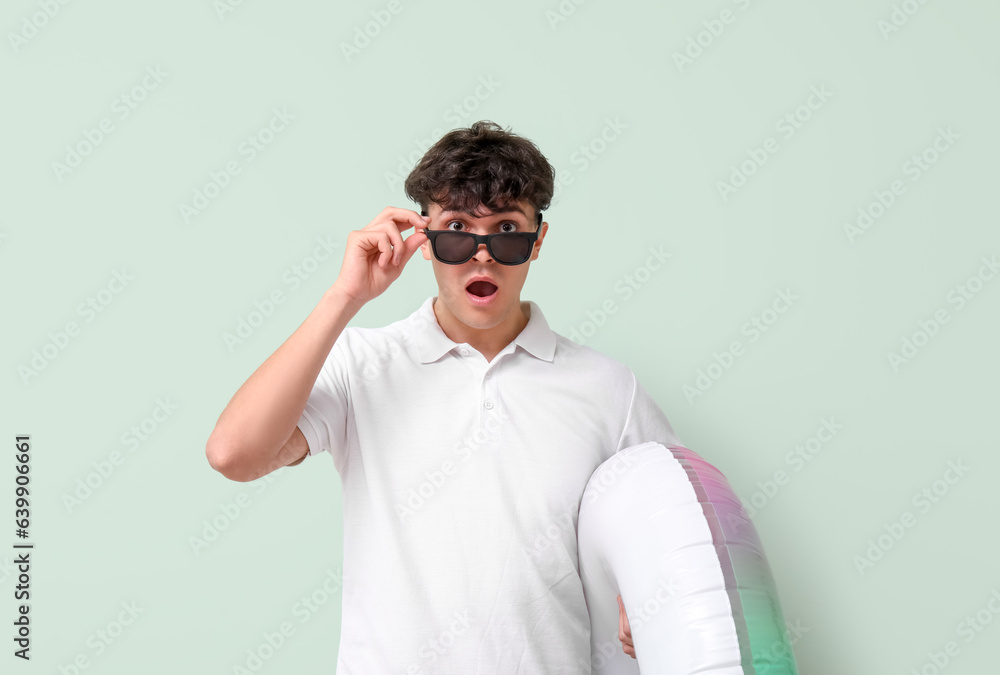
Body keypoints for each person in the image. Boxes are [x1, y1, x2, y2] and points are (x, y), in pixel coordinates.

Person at [205, 120, 681, 672]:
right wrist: (345, 296)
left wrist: (649, 586)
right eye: (457, 229)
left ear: (538, 240)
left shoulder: (607, 388)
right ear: (424, 240)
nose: (482, 256)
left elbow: (670, 525)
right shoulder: (363, 364)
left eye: (507, 229)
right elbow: (234, 454)